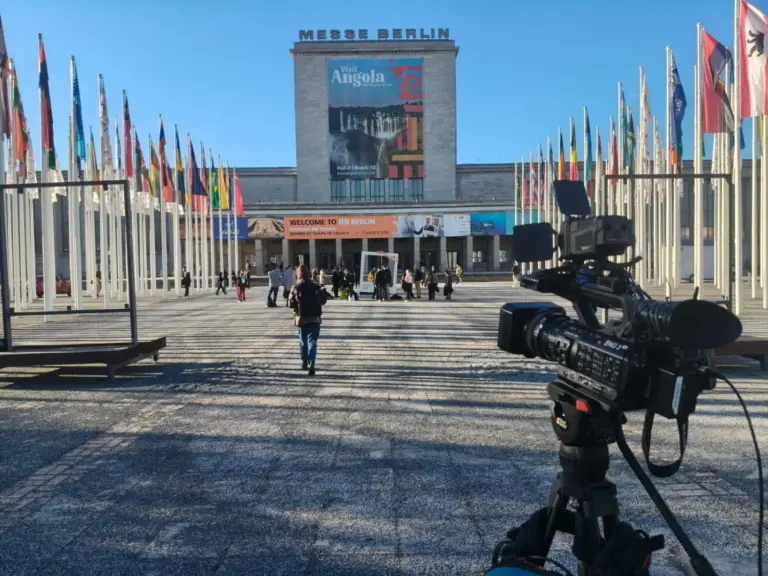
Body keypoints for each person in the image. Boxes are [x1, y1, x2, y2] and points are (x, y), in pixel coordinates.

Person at [288, 265, 327, 376]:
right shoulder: (315, 286)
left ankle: (305, 362)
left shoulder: (296, 287)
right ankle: (312, 363)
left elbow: (290, 303)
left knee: (303, 342)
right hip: (315, 318)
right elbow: (323, 301)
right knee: (312, 341)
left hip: (301, 319)